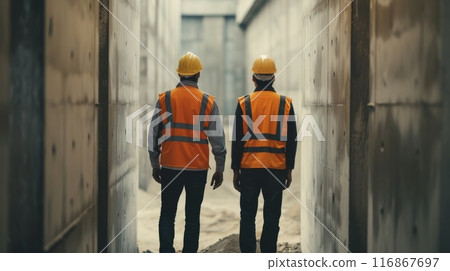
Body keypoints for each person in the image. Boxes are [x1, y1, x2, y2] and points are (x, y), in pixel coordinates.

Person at [148, 52, 226, 253]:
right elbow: (217, 139)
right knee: (193, 217)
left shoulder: (165, 99)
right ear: (198, 74)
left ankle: (167, 254)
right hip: (197, 168)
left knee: (167, 214)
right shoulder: (208, 102)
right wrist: (220, 168)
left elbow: (153, 134)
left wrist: (155, 164)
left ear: (179, 74)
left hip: (171, 166)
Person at [231, 55, 297, 253]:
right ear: (274, 78)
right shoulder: (285, 104)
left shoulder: (244, 103)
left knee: (247, 216)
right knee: (272, 216)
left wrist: (235, 170)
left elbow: (237, 140)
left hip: (250, 168)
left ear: (253, 79)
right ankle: (268, 255)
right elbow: (291, 140)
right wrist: (289, 169)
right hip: (275, 168)